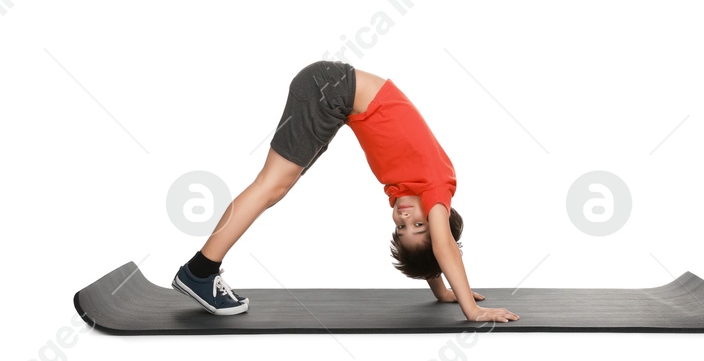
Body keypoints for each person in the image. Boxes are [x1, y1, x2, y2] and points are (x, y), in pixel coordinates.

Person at [170, 61, 519, 324]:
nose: (405, 219)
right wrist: (471, 309)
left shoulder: (409, 190)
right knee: (270, 186)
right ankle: (199, 273)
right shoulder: (436, 188)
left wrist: (442, 290)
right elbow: (442, 246)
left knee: (276, 186)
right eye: (419, 225)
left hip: (333, 95)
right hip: (330, 89)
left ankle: (200, 270)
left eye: (401, 228)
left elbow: (432, 249)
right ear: (438, 218)